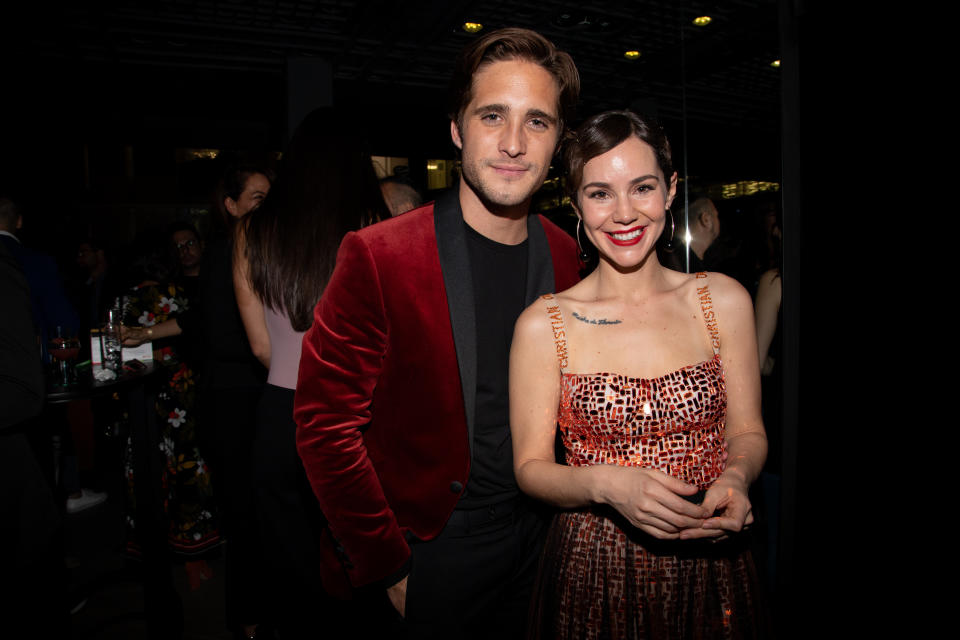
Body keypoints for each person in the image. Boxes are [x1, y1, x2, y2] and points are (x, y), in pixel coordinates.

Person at [293, 28, 581, 639]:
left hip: (540, 535)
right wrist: (385, 560)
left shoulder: (564, 253)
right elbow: (323, 424)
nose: (512, 143)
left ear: (558, 143)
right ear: (456, 128)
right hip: (433, 545)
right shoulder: (381, 255)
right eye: (492, 115)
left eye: (538, 122)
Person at [509, 110, 767, 638]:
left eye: (642, 188)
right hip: (594, 569)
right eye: (600, 193)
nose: (624, 214)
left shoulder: (721, 299)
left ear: (670, 190)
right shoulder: (544, 324)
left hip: (710, 561)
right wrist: (607, 485)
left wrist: (737, 477)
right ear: (576, 203)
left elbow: (747, 431)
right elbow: (531, 468)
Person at [233, 106, 390, 638]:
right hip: (354, 418)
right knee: (357, 570)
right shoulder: (374, 226)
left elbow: (259, 346)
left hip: (280, 415)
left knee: (287, 569)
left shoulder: (251, 230)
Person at [120, 242, 220, 588]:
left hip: (141, 401)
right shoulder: (178, 296)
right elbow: (200, 339)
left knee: (148, 473)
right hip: (181, 399)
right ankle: (195, 557)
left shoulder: (123, 301)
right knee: (188, 472)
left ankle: (149, 555)